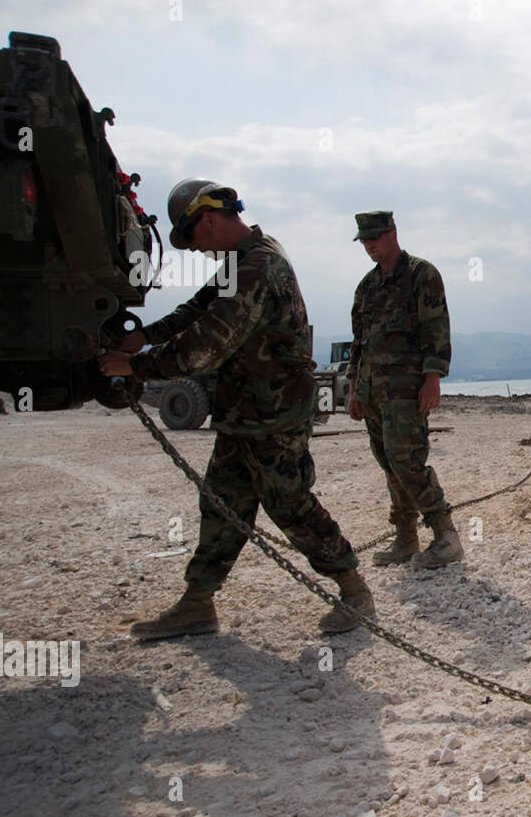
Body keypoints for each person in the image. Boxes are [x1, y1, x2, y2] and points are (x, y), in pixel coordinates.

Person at [98, 178, 375, 639]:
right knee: (222, 503)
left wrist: (136, 367)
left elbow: (204, 347)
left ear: (208, 219)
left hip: (275, 413)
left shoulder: (257, 267)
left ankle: (354, 589)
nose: (199, 251)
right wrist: (146, 335)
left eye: (195, 240)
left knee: (289, 504)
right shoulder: (245, 257)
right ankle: (197, 604)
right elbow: (199, 306)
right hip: (245, 410)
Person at [348, 211, 463, 568]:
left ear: (393, 233)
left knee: (407, 461)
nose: (369, 245)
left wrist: (433, 378)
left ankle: (446, 536)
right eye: (364, 240)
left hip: (406, 391)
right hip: (372, 392)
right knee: (389, 464)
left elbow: (436, 329)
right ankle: (406, 538)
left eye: (375, 238)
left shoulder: (421, 275)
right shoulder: (366, 287)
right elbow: (359, 342)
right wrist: (353, 389)